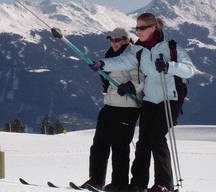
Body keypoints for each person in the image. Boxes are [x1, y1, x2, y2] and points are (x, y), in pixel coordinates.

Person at [88, 13, 196, 192]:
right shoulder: (139, 50)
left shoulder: (171, 48)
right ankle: (138, 184)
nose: (138, 31)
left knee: (157, 137)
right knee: (143, 140)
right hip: (150, 99)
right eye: (137, 28)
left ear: (153, 28)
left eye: (142, 28)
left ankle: (163, 184)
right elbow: (123, 61)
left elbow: (190, 69)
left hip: (170, 98)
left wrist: (169, 66)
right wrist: (103, 64)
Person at [80, 27, 145, 192]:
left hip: (128, 108)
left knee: (120, 147)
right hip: (110, 105)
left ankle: (119, 184)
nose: (113, 43)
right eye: (111, 40)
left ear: (126, 40)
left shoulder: (133, 55)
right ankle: (95, 181)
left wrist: (131, 86)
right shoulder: (110, 55)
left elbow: (141, 79)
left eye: (117, 40)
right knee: (99, 145)